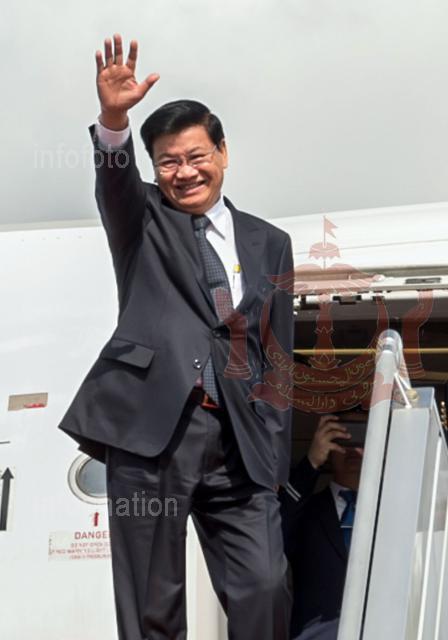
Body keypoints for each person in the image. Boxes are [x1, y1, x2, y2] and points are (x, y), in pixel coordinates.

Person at [58, 33, 298, 640]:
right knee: (151, 602)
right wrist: (114, 120)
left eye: (196, 156)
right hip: (152, 432)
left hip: (241, 440)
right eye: (167, 161)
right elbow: (114, 179)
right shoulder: (141, 216)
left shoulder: (270, 242)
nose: (184, 172)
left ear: (223, 152)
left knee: (265, 586)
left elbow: (278, 354)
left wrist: (273, 452)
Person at [282, 415, 363, 640]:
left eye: (362, 435)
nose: (352, 447)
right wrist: (311, 463)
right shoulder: (306, 511)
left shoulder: (392, 511)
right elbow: (272, 535)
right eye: (343, 437)